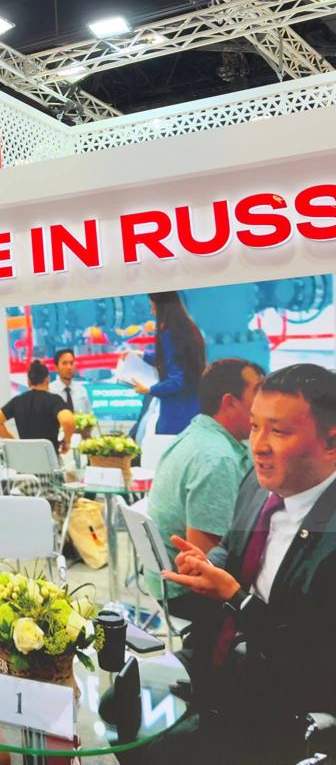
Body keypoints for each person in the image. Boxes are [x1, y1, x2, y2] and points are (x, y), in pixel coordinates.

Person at [157, 363, 336, 765]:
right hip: (223, 655)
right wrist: (207, 564)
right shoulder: (257, 484)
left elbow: (311, 656)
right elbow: (233, 549)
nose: (258, 445)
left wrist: (236, 597)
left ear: (330, 443)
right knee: (120, 707)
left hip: (288, 698)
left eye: (279, 431)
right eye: (255, 426)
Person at [146, 359, 263, 628]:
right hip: (187, 593)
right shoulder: (216, 458)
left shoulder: (196, 435)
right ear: (230, 402)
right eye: (257, 394)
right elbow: (206, 565)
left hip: (163, 581)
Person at [130, 292, 205, 435]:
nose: (152, 312)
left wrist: (149, 390)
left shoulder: (171, 334)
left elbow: (178, 380)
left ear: (163, 309)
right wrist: (142, 355)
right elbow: (170, 360)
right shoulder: (186, 329)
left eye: (154, 308)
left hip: (177, 414)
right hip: (191, 409)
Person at [0, 359, 76, 453]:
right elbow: (68, 421)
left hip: (25, 459)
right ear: (47, 379)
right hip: (50, 459)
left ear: (29, 381)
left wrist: (16, 445)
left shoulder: (17, 401)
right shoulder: (55, 400)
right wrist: (66, 441)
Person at [52, 347, 92, 415]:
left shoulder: (81, 390)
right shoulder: (50, 391)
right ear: (56, 368)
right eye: (64, 363)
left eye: (71, 363)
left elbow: (89, 415)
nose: (69, 367)